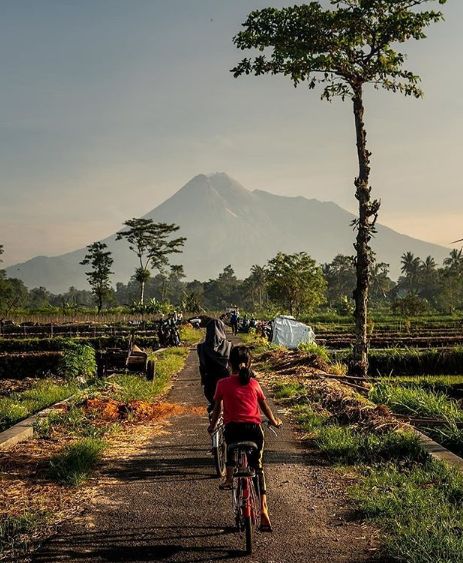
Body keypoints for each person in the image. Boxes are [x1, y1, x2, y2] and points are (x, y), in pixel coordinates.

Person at [208, 345, 282, 532]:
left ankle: (229, 477)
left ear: (229, 363)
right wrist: (274, 421)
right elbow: (265, 407)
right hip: (253, 431)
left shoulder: (222, 384)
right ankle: (264, 509)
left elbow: (217, 410)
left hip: (233, 430)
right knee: (257, 467)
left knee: (230, 445)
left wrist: (211, 426)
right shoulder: (254, 384)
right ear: (249, 363)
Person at [197, 318, 232, 409]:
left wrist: (203, 379)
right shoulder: (229, 346)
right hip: (226, 381)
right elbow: (233, 365)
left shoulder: (201, 347)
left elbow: (202, 366)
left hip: (210, 381)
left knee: (213, 404)